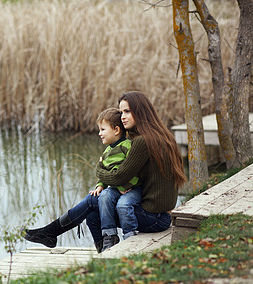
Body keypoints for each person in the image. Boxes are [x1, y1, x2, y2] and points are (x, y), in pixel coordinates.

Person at [24, 91, 186, 253]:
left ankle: (50, 232)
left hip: (154, 219)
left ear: (141, 111)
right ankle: (105, 253)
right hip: (161, 216)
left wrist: (99, 168)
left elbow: (118, 177)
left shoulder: (142, 142)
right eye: (121, 112)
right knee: (93, 215)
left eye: (127, 111)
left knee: (92, 200)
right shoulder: (162, 135)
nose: (123, 116)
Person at [90, 108, 142, 252]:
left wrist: (122, 185)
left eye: (102, 129)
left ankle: (130, 237)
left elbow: (132, 171)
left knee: (123, 206)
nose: (99, 133)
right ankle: (109, 235)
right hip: (116, 187)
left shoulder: (127, 146)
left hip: (132, 188)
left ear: (116, 130)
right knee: (104, 197)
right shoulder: (106, 152)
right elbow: (105, 172)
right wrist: (100, 185)